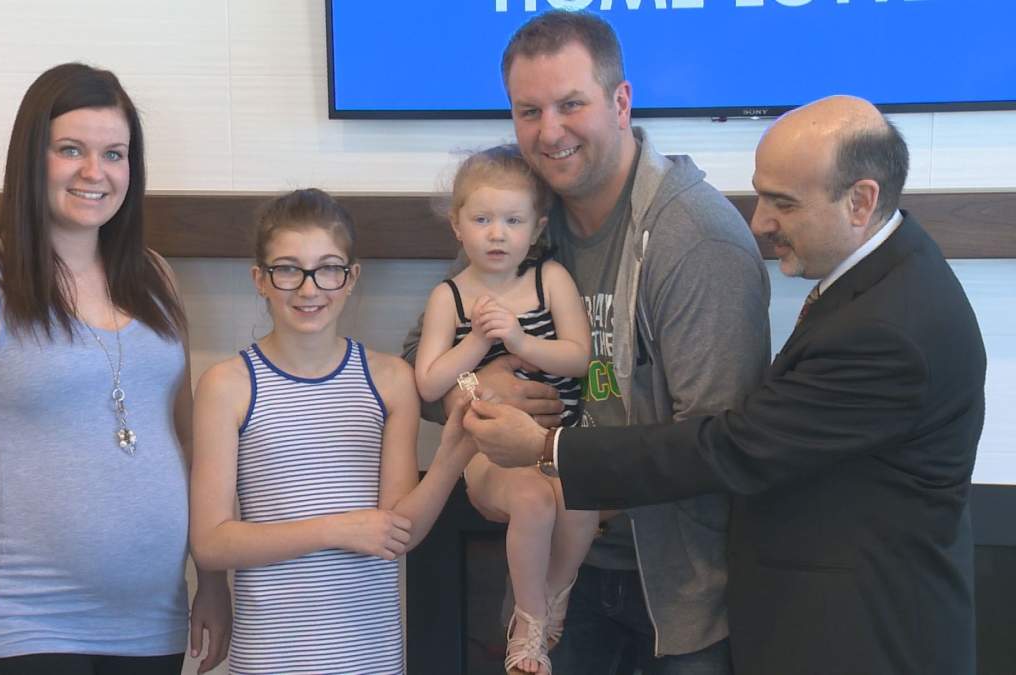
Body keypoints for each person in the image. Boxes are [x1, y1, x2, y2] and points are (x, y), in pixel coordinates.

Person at [465, 95, 986, 675]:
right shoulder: (885, 278)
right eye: (761, 194)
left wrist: (546, 448)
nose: (760, 222)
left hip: (861, 636)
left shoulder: (891, 328)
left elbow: (730, 447)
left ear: (861, 201)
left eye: (783, 203)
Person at [402, 10, 769, 674]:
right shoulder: (522, 218)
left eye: (571, 104)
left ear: (621, 101)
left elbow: (723, 444)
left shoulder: (694, 238)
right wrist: (480, 389)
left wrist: (550, 449)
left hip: (676, 594)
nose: (549, 132)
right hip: (554, 572)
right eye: (528, 110)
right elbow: (418, 365)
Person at [0, 63, 231, 675]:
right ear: (32, 158)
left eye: (114, 153)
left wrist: (211, 579)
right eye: (70, 150)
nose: (95, 172)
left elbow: (188, 440)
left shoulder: (155, 276)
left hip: (150, 622)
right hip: (27, 622)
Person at [189, 188, 477, 675]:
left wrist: (452, 455)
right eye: (287, 269)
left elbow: (397, 532)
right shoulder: (227, 385)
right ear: (260, 279)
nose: (308, 289)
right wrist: (336, 528)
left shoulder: (390, 380)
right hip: (269, 658)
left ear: (350, 278)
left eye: (327, 268)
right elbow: (212, 542)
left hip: (369, 656)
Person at [414, 144, 594, 674]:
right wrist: (475, 347)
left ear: (536, 228)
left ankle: (553, 595)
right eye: (483, 219)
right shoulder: (449, 296)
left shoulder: (549, 280)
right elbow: (428, 382)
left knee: (583, 497)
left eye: (513, 221)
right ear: (457, 225)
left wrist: (520, 340)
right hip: (486, 449)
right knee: (535, 503)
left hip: (553, 440)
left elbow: (580, 358)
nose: (497, 234)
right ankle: (528, 623)